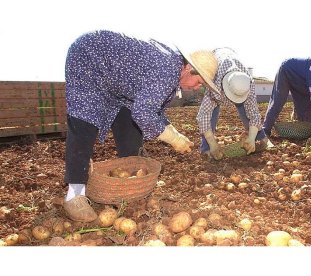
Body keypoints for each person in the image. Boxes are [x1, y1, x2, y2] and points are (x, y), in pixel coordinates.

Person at [63, 30, 220, 222]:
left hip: (119, 85)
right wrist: (173, 139)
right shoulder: (167, 70)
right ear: (188, 69)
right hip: (89, 58)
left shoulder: (173, 72)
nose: (197, 87)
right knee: (84, 121)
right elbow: (144, 113)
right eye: (199, 82)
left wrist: (173, 131)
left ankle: (129, 185)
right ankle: (74, 195)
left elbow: (151, 109)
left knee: (130, 125)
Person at [196, 47, 271, 160]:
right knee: (211, 114)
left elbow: (254, 113)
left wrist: (251, 138)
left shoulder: (247, 82)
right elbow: (203, 115)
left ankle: (259, 138)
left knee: (246, 109)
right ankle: (206, 148)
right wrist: (213, 144)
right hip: (217, 60)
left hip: (232, 60)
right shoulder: (214, 80)